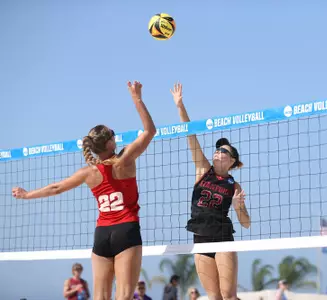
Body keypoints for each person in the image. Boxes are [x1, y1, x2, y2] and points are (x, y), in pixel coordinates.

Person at [12, 81, 157, 300]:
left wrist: (26, 195)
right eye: (112, 134)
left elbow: (56, 188)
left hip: (102, 234)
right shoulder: (124, 159)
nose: (115, 136)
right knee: (124, 297)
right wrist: (137, 98)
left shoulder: (88, 172)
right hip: (126, 230)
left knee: (99, 297)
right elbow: (150, 130)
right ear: (109, 144)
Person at [170, 82, 251, 300]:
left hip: (223, 237)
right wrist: (180, 106)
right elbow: (191, 136)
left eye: (223, 150)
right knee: (213, 297)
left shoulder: (234, 186)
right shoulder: (202, 170)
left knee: (229, 296)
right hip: (200, 238)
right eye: (217, 149)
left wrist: (237, 206)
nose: (217, 151)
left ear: (232, 160)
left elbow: (246, 223)